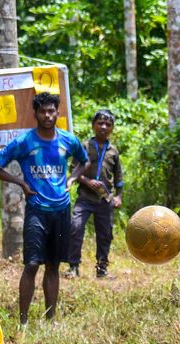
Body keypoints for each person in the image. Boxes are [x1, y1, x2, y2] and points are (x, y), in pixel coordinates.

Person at [0, 92, 88, 323]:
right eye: (43, 111)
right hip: (36, 210)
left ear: (58, 113)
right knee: (31, 264)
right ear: (36, 114)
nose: (48, 115)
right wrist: (20, 182)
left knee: (53, 266)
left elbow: (85, 161)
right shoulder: (25, 142)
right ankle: (23, 322)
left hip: (61, 210)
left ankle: (50, 320)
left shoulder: (68, 140)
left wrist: (72, 179)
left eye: (52, 111)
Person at [67, 109, 124, 279]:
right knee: (75, 228)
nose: (104, 127)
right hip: (85, 197)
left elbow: (119, 176)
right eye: (100, 123)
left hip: (105, 200)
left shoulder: (113, 151)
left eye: (108, 124)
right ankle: (74, 267)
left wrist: (119, 196)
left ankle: (102, 269)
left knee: (105, 234)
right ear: (93, 125)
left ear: (112, 128)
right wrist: (87, 181)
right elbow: (73, 169)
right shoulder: (84, 146)